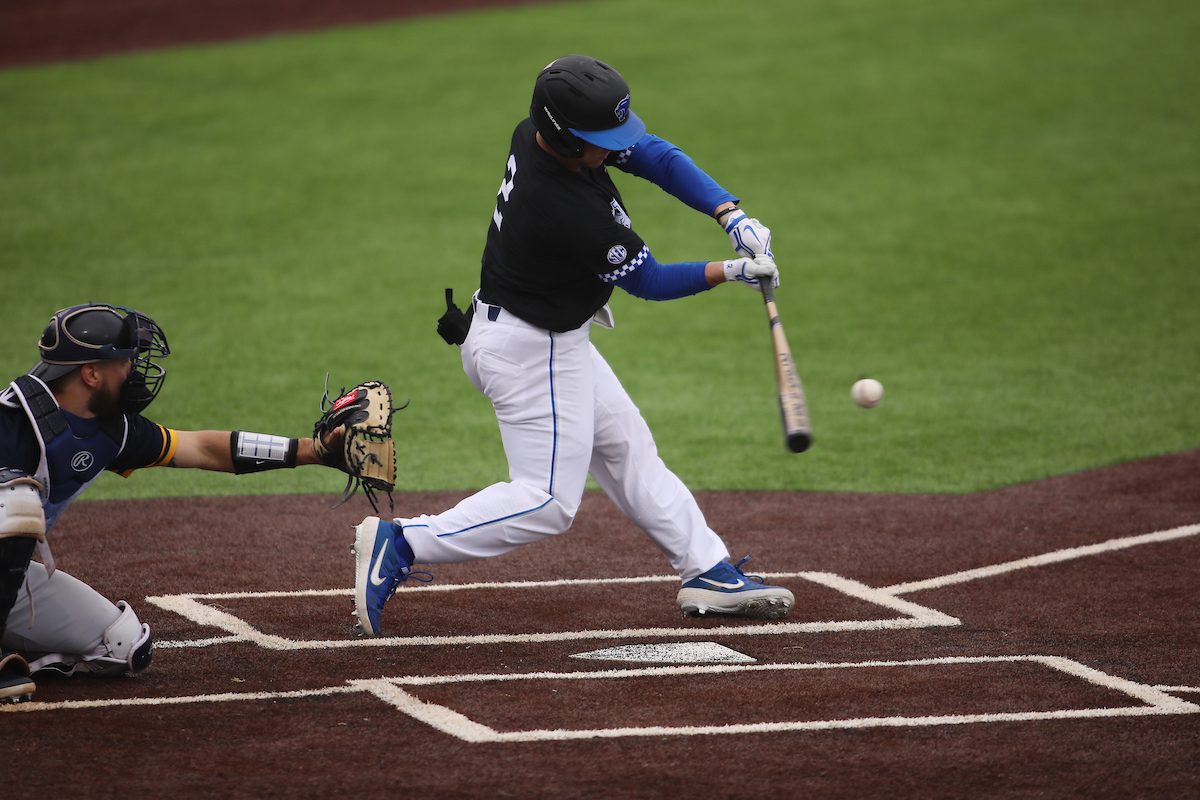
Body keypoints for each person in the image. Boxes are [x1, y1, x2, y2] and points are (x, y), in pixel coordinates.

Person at [350, 55, 794, 637]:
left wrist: (730, 212)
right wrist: (733, 269)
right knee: (547, 502)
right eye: (601, 140)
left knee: (625, 446)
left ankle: (706, 569)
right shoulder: (569, 207)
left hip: (530, 332)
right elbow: (650, 281)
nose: (613, 148)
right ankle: (402, 543)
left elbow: (656, 154)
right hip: (532, 352)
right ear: (566, 136)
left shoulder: (542, 134)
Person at [0, 302, 344, 702]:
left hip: (11, 579)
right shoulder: (10, 422)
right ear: (91, 373)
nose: (134, 370)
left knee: (123, 646)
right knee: (15, 498)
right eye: (126, 360)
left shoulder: (112, 431)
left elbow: (201, 448)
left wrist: (312, 450)